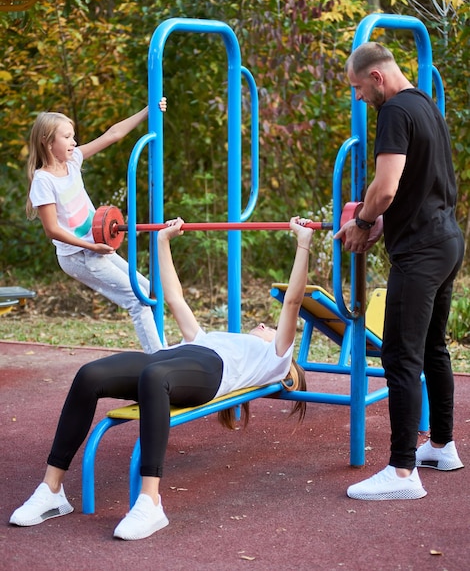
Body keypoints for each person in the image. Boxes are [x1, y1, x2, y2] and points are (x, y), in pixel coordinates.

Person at [10, 215, 313, 540]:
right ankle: (52, 489)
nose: (265, 326)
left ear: (288, 371)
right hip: (172, 361)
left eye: (270, 328)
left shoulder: (275, 358)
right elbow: (175, 299)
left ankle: (150, 501)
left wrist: (303, 243)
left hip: (208, 373)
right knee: (89, 375)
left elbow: (293, 301)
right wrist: (163, 242)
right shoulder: (211, 336)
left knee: (155, 376)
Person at [335, 42, 464, 501]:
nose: (357, 98)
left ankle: (403, 472)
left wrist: (365, 221)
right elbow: (419, 186)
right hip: (447, 239)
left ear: (376, 78)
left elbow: (386, 187)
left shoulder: (393, 112)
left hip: (422, 252)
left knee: (399, 355)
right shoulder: (426, 105)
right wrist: (382, 220)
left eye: (357, 88)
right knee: (432, 347)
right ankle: (443, 446)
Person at [26, 101, 168, 354]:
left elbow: (113, 134)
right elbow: (52, 230)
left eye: (73, 136)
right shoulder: (43, 180)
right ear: (48, 143)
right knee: (137, 301)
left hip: (97, 247)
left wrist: (148, 110)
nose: (73, 142)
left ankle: (164, 352)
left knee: (148, 290)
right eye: (67, 137)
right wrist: (92, 245)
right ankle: (160, 360)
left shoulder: (72, 162)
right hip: (78, 255)